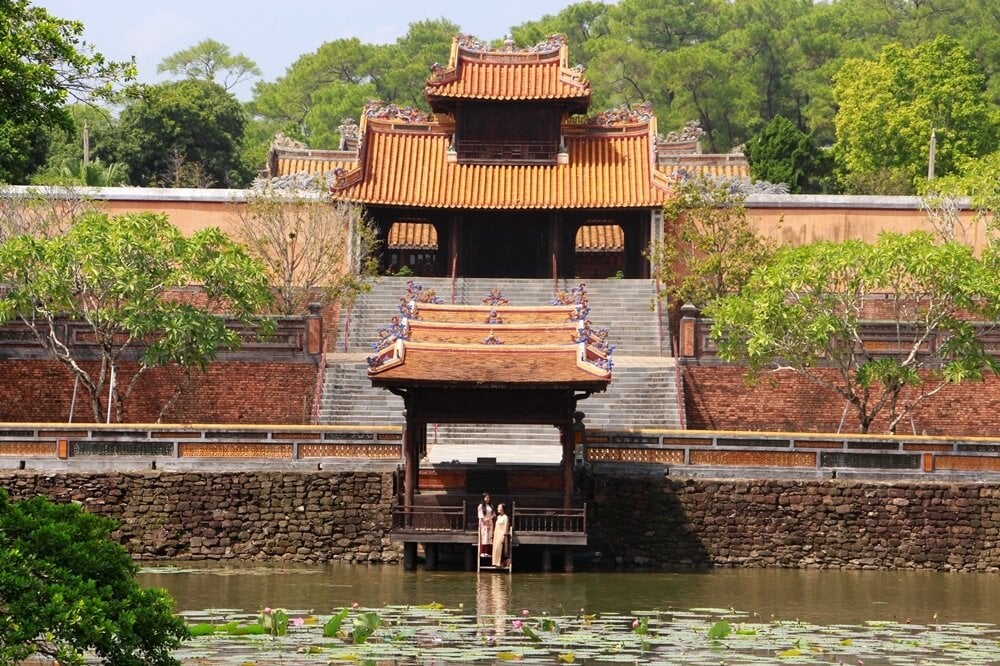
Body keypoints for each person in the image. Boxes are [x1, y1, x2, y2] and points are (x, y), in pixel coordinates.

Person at [492, 503, 509, 567]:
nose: (498, 508)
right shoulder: (498, 517)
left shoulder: (505, 517)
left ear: (503, 509)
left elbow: (505, 527)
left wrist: (504, 536)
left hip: (502, 534)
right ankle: (496, 562)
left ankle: (502, 562)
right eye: (498, 507)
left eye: (499, 507)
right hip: (497, 534)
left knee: (500, 548)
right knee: (496, 548)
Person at [477, 493, 494, 558]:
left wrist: (492, 517)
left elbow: (493, 513)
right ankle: (482, 552)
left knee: (490, 538)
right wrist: (485, 522)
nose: (488, 499)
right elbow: (481, 516)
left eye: (488, 498)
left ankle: (488, 552)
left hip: (490, 523)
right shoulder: (480, 506)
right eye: (486, 498)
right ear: (483, 498)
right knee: (484, 537)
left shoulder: (490, 505)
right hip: (484, 523)